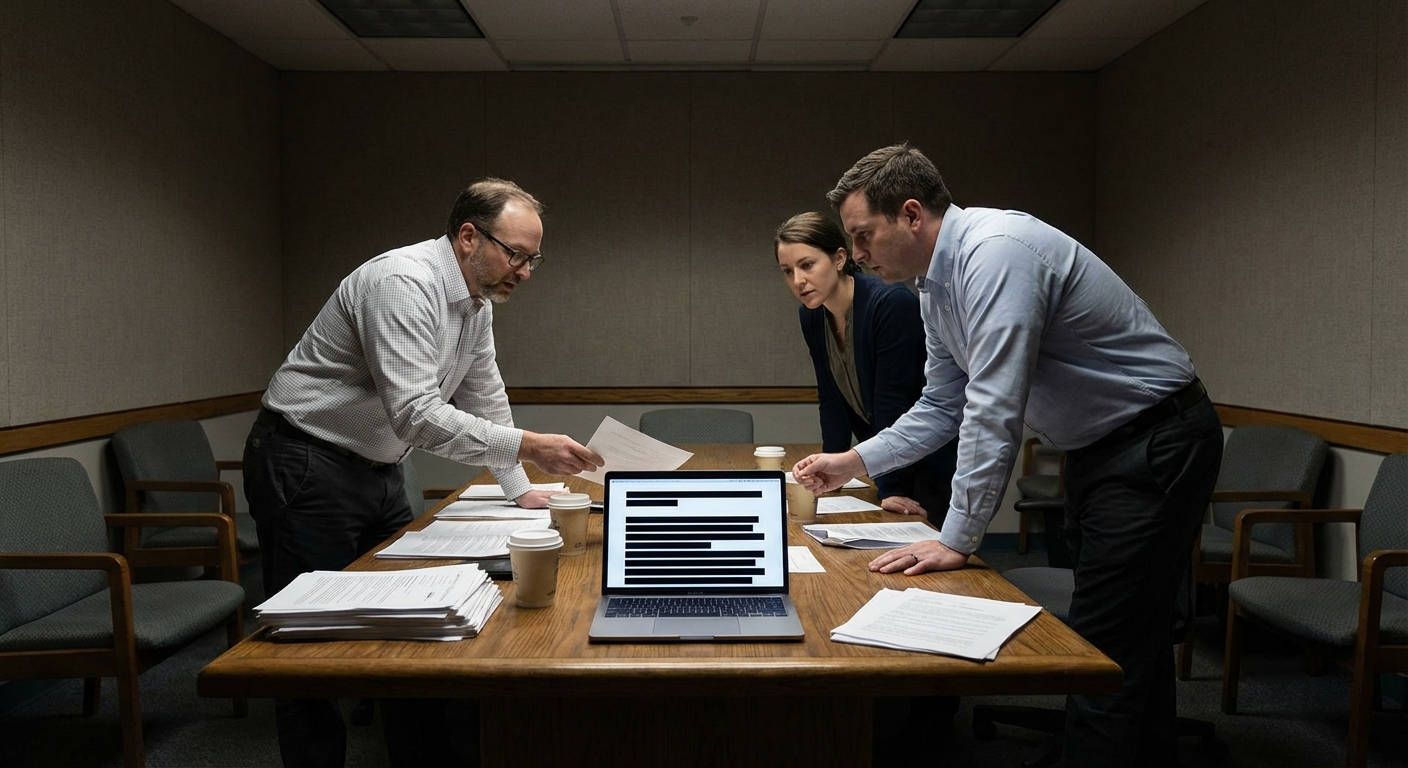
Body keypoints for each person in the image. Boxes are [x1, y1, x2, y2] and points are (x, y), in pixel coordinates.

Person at [793, 145, 1223, 768]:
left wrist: (958, 536)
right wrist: (852, 462)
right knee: (1133, 632)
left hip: (1154, 441)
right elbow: (941, 405)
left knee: (1103, 643)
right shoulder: (935, 286)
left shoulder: (996, 252)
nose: (855, 255)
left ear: (911, 215)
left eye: (863, 236)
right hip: (1099, 450)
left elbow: (994, 408)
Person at [244, 178, 603, 768]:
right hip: (306, 460)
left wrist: (518, 488)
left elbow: (485, 393)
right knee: (305, 643)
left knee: (408, 627)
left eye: (533, 258)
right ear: (468, 237)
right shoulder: (402, 283)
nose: (526, 271)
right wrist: (530, 445)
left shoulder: (474, 300)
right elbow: (415, 413)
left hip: (377, 465)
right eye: (516, 254)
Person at [774, 212, 957, 520]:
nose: (798, 280)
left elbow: (892, 401)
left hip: (930, 460)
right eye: (787, 271)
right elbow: (831, 397)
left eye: (807, 265)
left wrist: (891, 488)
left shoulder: (890, 304)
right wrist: (827, 470)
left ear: (840, 258)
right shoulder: (812, 314)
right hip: (885, 462)